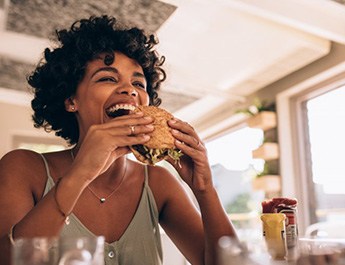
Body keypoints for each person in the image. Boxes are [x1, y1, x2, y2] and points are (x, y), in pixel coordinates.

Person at [0, 15, 237, 265]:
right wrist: (80, 174)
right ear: (71, 100)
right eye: (107, 78)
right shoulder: (22, 167)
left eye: (138, 82)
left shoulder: (158, 182)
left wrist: (204, 188)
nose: (130, 90)